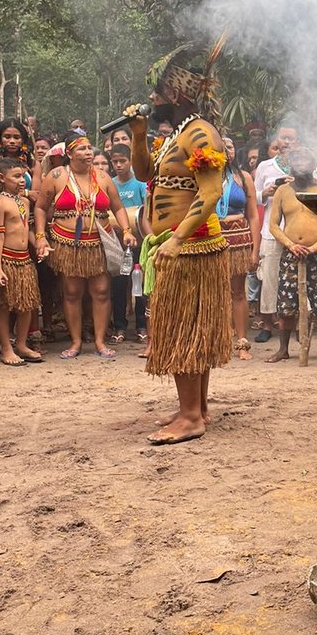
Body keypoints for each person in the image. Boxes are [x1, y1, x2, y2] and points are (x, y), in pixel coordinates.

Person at [124, 39, 233, 443]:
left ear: (175, 93)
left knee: (184, 329)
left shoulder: (201, 133)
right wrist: (138, 133)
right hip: (178, 245)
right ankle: (196, 408)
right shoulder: (177, 134)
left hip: (191, 245)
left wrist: (175, 240)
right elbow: (142, 174)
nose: (151, 99)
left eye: (156, 91)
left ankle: (190, 416)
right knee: (190, 329)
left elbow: (209, 194)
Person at [33, 130, 135, 358]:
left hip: (99, 242)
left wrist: (126, 230)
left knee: (101, 290)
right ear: (69, 153)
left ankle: (99, 341)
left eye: (89, 148)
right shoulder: (57, 175)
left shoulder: (102, 177)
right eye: (82, 149)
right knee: (71, 292)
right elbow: (40, 207)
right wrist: (40, 236)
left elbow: (117, 207)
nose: (88, 152)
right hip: (68, 243)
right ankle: (76, 342)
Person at [268, 147, 317, 364]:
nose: (300, 162)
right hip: (291, 254)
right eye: (296, 159)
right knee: (286, 306)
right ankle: (283, 349)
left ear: (313, 162)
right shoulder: (283, 191)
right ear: (290, 164)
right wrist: (290, 245)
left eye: (305, 158)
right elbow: (273, 226)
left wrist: (316, 246)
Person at [0, 158, 43, 365]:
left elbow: (27, 230)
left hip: (25, 261)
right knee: (2, 305)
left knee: (26, 305)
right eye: (16, 177)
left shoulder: (24, 202)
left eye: (22, 177)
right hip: (6, 260)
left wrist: (39, 245)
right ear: (1, 178)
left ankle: (21, 344)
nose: (21, 181)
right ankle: (6, 348)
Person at [218, 137, 260, 360]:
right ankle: (220, 341)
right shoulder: (205, 177)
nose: (226, 151)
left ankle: (242, 343)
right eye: (221, 146)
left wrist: (255, 249)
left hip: (238, 241)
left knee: (237, 291)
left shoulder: (243, 178)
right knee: (215, 293)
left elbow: (253, 216)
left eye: (231, 146)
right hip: (213, 238)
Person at [254, 125, 297, 337]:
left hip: (296, 232)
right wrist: (266, 192)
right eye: (283, 138)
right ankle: (267, 324)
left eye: (291, 139)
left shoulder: (303, 165)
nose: (287, 142)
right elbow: (254, 197)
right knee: (269, 277)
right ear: (276, 140)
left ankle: (295, 323)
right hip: (271, 231)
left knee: (295, 276)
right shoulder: (265, 166)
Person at [108, 143, 148, 342]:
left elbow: (146, 213)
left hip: (139, 242)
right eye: (114, 161)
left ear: (130, 161)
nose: (118, 165)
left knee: (139, 285)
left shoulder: (140, 184)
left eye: (122, 161)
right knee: (118, 285)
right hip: (117, 244)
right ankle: (119, 327)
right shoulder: (110, 184)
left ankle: (141, 325)